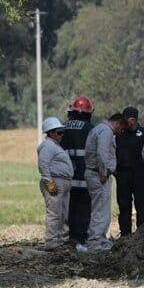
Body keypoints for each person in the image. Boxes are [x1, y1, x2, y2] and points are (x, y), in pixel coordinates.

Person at [83, 113, 124, 251]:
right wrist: (104, 172)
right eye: (121, 128)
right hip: (98, 174)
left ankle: (98, 239)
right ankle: (96, 242)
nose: (120, 132)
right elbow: (102, 153)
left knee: (98, 208)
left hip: (93, 172)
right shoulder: (106, 132)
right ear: (118, 123)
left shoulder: (97, 128)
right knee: (101, 210)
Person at [60, 96, 94, 245]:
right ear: (89, 113)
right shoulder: (90, 128)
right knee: (84, 207)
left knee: (71, 207)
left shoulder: (64, 127)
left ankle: (72, 236)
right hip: (85, 175)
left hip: (68, 176)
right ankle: (81, 237)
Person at [37, 117, 74, 250]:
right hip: (54, 181)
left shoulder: (55, 145)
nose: (61, 135)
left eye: (62, 132)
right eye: (59, 132)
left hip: (63, 182)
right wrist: (49, 182)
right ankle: (52, 242)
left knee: (63, 213)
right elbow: (43, 165)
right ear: (50, 133)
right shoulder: (48, 145)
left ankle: (62, 239)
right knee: (54, 213)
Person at [115, 107, 144, 237]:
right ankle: (125, 234)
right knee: (124, 206)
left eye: (126, 120)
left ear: (133, 120)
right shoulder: (118, 134)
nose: (123, 123)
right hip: (122, 175)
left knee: (141, 204)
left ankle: (143, 233)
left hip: (140, 175)